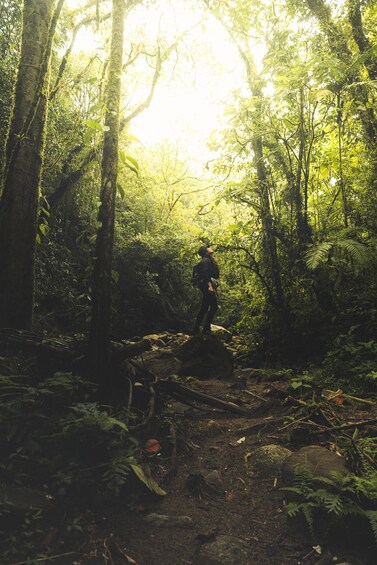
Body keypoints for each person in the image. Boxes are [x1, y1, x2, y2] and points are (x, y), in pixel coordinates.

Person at [193, 245, 220, 335]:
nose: (210, 247)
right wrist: (210, 286)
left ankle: (196, 329)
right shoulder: (205, 261)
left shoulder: (208, 260)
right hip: (206, 286)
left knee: (204, 307)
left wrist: (213, 287)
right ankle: (206, 328)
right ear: (205, 251)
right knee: (214, 306)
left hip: (207, 286)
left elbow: (212, 275)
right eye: (208, 247)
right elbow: (205, 275)